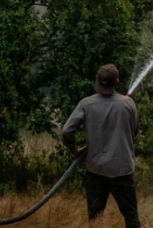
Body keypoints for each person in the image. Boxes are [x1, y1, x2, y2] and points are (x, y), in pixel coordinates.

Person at [62, 64, 141, 228]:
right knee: (131, 217)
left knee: (95, 219)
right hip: (122, 171)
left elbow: (67, 131)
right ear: (116, 81)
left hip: (96, 170)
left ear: (97, 80)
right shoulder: (128, 104)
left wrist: (74, 150)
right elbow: (134, 131)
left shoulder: (86, 104)